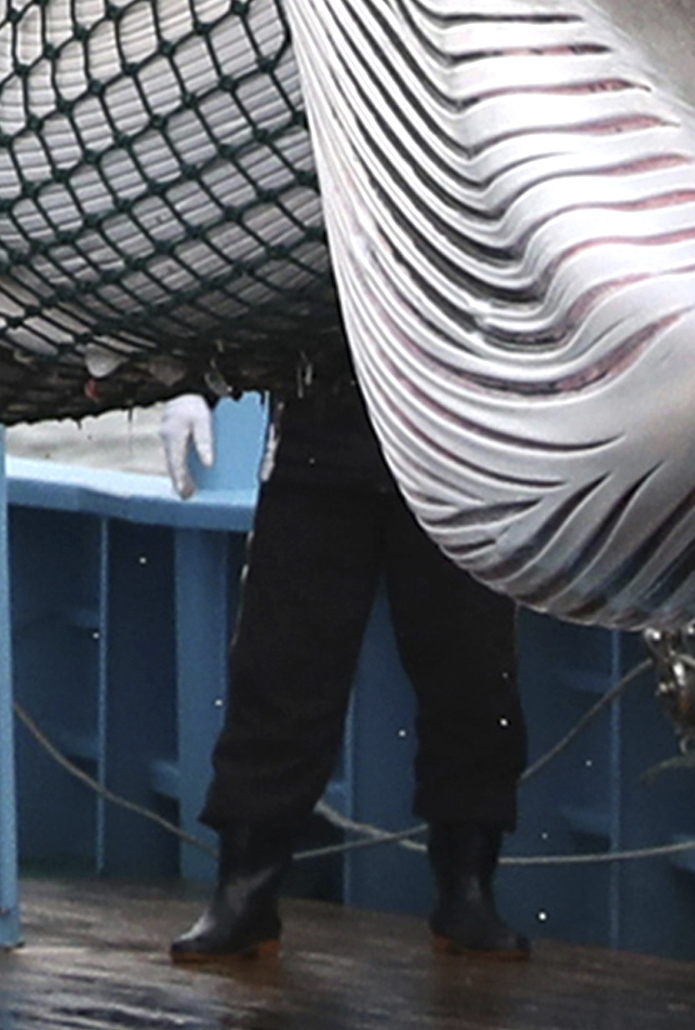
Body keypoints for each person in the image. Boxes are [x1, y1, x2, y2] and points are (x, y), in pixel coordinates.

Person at [169, 359, 534, 963]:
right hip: (317, 441)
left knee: (475, 674)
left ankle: (467, 891)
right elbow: (231, 278)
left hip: (461, 448)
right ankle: (245, 891)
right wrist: (190, 387)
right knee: (278, 670)